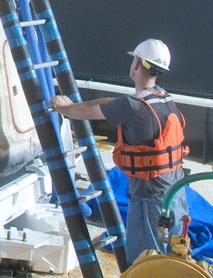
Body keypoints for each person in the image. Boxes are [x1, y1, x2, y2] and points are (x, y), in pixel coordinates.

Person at [48, 39, 189, 265]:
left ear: (137, 65)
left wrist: (65, 108)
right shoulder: (163, 98)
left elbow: (90, 111)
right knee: (171, 255)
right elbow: (113, 103)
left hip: (148, 198)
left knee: (145, 263)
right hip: (174, 192)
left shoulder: (132, 107)